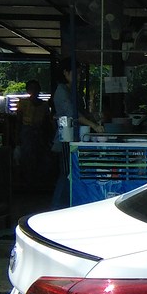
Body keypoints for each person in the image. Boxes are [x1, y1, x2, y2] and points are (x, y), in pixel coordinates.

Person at [50, 58, 102, 208]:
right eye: (77, 73)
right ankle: (57, 207)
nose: (79, 76)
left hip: (74, 137)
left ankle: (64, 205)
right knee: (66, 174)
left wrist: (94, 117)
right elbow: (73, 114)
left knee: (70, 173)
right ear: (66, 73)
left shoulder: (72, 91)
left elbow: (82, 112)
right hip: (65, 138)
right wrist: (93, 125)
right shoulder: (61, 91)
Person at [15, 80, 52, 188]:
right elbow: (18, 121)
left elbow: (47, 122)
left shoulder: (44, 105)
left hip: (40, 133)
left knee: (40, 156)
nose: (34, 91)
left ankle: (39, 182)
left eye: (36, 88)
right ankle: (28, 182)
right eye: (31, 88)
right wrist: (17, 138)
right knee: (27, 157)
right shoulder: (23, 103)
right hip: (27, 132)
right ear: (28, 90)